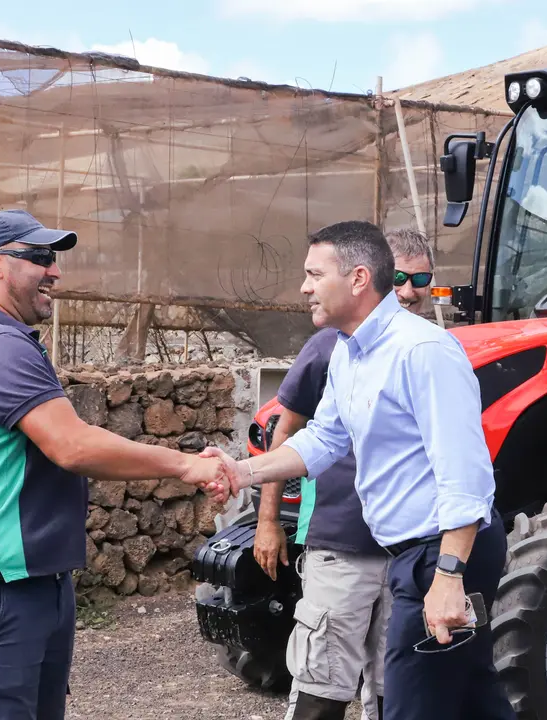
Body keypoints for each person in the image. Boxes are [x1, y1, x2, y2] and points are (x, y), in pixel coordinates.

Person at [0, 209, 228, 720]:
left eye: (55, 258)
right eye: (39, 257)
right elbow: (73, 445)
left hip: (30, 583)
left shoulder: (4, 340)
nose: (55, 271)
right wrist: (183, 465)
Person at [203, 220, 513, 720]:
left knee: (411, 705)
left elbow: (467, 477)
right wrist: (242, 471)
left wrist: (449, 576)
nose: (304, 287)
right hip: (414, 550)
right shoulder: (349, 352)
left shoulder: (423, 351)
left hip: (444, 552)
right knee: (475, 697)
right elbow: (323, 440)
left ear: (358, 279)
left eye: (313, 273)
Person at [254, 226, 437, 720]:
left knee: (395, 686)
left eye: (421, 277)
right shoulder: (330, 348)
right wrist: (267, 520)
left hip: (409, 552)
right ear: (370, 277)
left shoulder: (430, 349)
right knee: (323, 680)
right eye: (398, 275)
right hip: (341, 544)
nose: (409, 289)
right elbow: (290, 432)